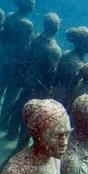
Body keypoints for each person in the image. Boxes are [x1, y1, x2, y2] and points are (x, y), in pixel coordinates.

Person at [9, 12, 62, 149]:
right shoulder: (54, 50)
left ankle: (11, 133)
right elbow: (51, 72)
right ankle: (20, 146)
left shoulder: (37, 39)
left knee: (19, 107)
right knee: (30, 116)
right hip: (39, 87)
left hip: (28, 80)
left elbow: (28, 58)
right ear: (56, 28)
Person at [0, 0, 35, 120]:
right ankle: (3, 120)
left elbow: (3, 35)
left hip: (3, 56)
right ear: (27, 5)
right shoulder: (27, 25)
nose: (33, 6)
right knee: (11, 92)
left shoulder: (9, 16)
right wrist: (24, 65)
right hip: (16, 61)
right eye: (32, 4)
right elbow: (25, 47)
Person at [52, 26, 88, 109]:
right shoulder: (80, 67)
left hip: (56, 93)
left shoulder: (65, 54)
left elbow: (56, 76)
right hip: (64, 102)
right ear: (84, 45)